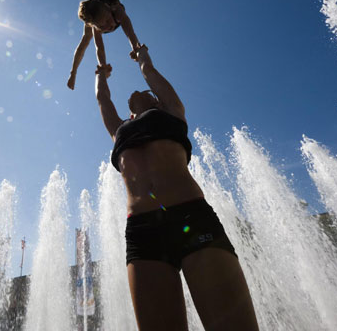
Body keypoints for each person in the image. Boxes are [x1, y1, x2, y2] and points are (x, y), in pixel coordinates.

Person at [94, 45, 259, 331]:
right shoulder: (119, 129)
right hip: (143, 230)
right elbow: (102, 98)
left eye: (149, 93)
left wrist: (142, 57)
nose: (140, 92)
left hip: (191, 218)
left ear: (156, 99)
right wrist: (101, 75)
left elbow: (149, 72)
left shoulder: (172, 111)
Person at [67, 0, 211, 90]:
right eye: (104, 26)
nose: (109, 25)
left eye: (108, 20)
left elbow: (129, 29)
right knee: (85, 41)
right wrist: (82, 71)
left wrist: (135, 46)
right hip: (95, 14)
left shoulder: (114, 4)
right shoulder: (93, 27)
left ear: (109, 8)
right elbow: (99, 48)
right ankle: (73, 70)